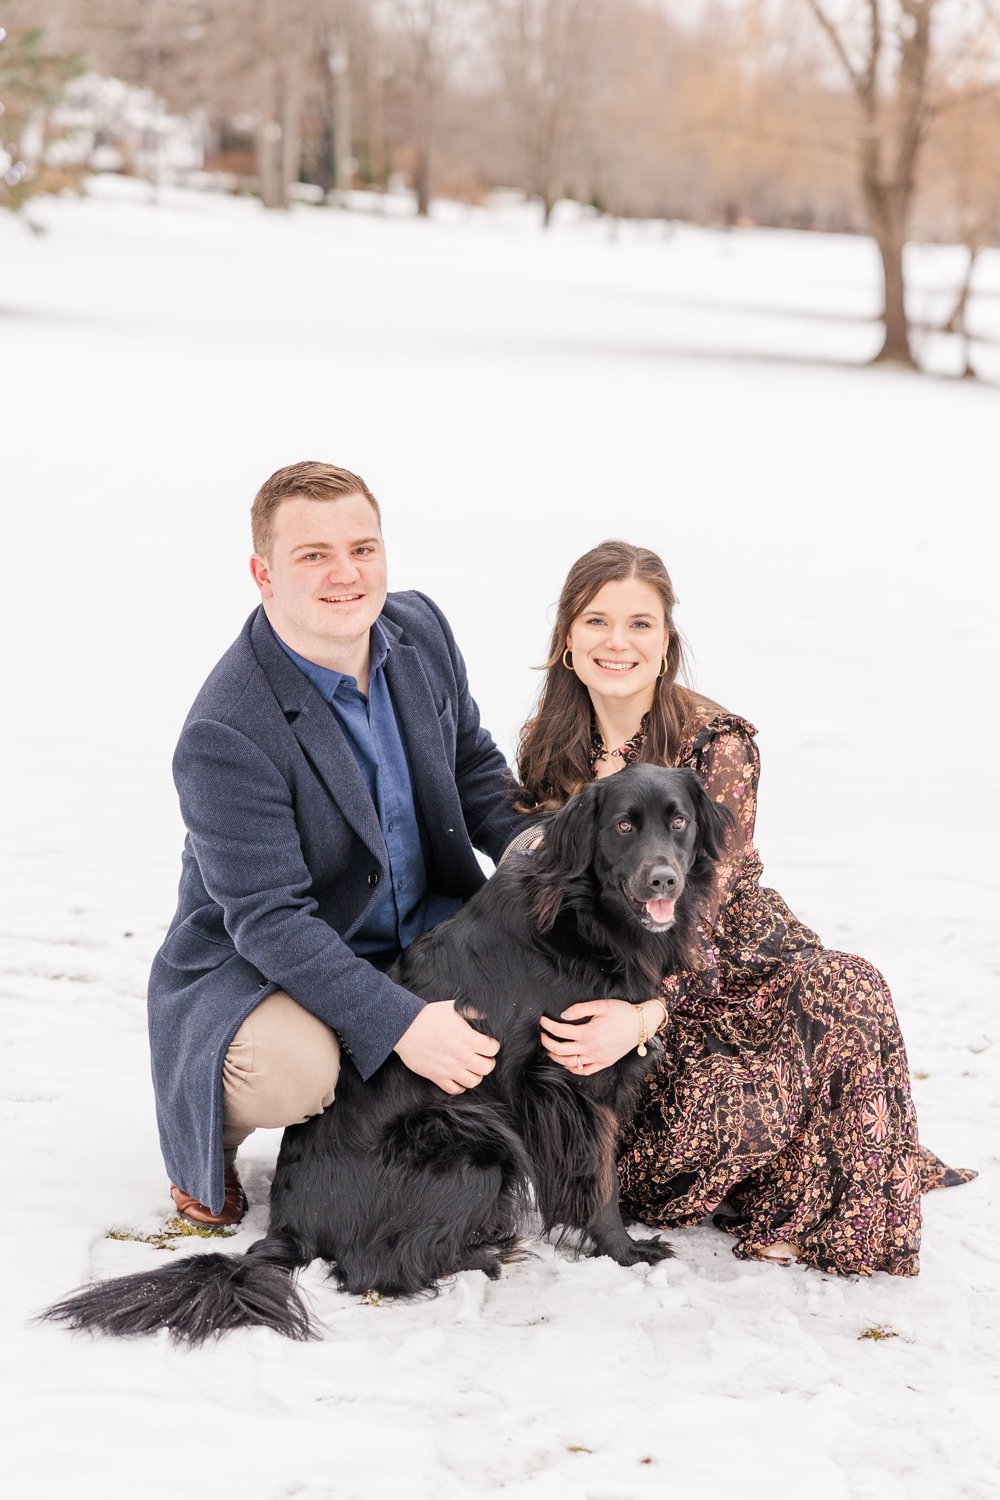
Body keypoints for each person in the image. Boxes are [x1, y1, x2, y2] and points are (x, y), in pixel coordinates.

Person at [515, 540, 973, 1277]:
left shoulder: (715, 743)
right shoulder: (550, 746)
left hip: (725, 964)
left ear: (667, 641)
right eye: (597, 621)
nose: (617, 642)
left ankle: (827, 1214)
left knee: (850, 986)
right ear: (567, 637)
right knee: (714, 1100)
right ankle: (740, 1172)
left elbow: (707, 910)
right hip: (615, 976)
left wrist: (646, 1014)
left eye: (640, 624)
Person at [148, 461, 529, 1227]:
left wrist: (536, 848)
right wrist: (403, 1024)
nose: (345, 574)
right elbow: (272, 922)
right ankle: (209, 1133)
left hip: (425, 926)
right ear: (263, 573)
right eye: (313, 555)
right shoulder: (226, 730)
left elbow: (471, 762)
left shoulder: (420, 631)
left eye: (362, 547)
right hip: (274, 960)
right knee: (296, 1070)